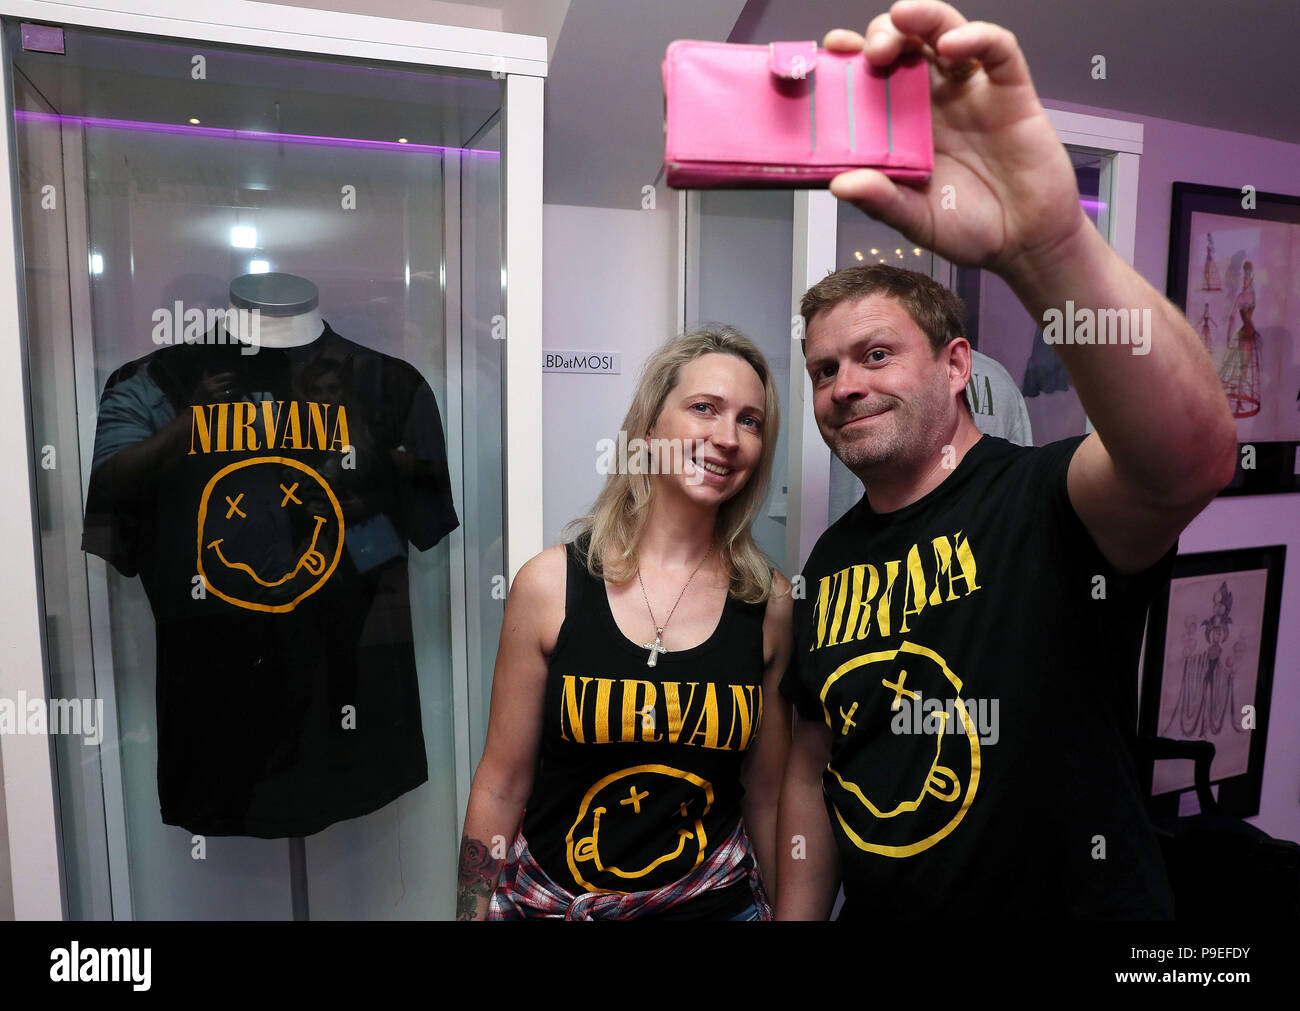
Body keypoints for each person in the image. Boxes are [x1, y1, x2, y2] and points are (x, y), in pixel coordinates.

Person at [776, 1, 1238, 919]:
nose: (842, 386)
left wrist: (1047, 246)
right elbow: (814, 765)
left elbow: (1192, 458)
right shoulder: (829, 562)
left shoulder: (1046, 498)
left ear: (956, 366)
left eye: (874, 355)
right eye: (823, 369)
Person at [457, 325, 793, 920]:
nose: (727, 437)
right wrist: (469, 913)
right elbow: (502, 782)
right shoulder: (550, 586)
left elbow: (766, 795)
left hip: (712, 906)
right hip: (555, 905)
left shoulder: (767, 602)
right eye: (704, 408)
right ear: (649, 430)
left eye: (750, 421)